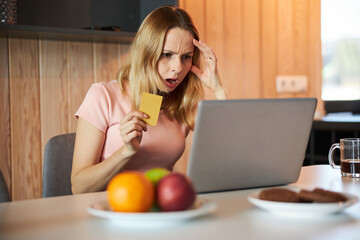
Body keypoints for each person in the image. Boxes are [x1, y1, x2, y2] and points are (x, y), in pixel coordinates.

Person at [71, 6, 227, 194]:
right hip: (111, 208)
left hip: (161, 209)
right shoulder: (103, 95)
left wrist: (218, 89)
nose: (177, 67)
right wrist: (126, 151)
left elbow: (232, 149)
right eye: (167, 54)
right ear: (146, 53)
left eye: (186, 57)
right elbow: (79, 187)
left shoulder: (183, 103)